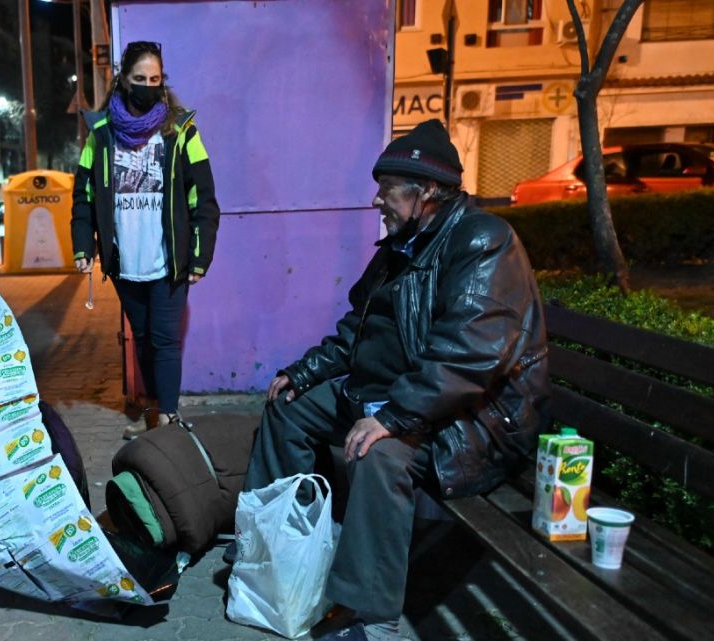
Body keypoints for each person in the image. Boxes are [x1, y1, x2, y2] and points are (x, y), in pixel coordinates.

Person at [232, 120, 551, 640]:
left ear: (425, 191)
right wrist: (304, 371)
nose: (377, 201)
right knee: (290, 406)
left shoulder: (481, 241)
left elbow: (470, 354)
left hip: (468, 419)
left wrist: (392, 417)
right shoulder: (400, 245)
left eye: (387, 191)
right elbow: (356, 332)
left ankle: (369, 614)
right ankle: (277, 546)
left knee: (376, 453)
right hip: (397, 395)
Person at [70, 41, 220, 439]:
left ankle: (167, 420)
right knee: (142, 340)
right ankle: (155, 411)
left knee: (165, 340)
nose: (148, 87)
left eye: (155, 80)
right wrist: (84, 246)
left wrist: (200, 257)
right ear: (123, 80)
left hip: (169, 261)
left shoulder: (181, 131)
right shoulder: (101, 135)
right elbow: (83, 197)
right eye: (140, 79)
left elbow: (203, 198)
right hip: (124, 261)